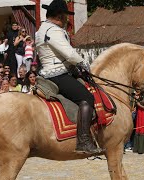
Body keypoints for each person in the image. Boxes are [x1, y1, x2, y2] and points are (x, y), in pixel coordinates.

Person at [35, 0, 103, 154]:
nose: (67, 19)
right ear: (59, 16)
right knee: (87, 98)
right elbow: (69, 53)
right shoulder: (53, 30)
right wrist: (84, 64)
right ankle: (84, 142)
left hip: (52, 70)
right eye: (65, 16)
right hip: (57, 73)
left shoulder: (42, 29)